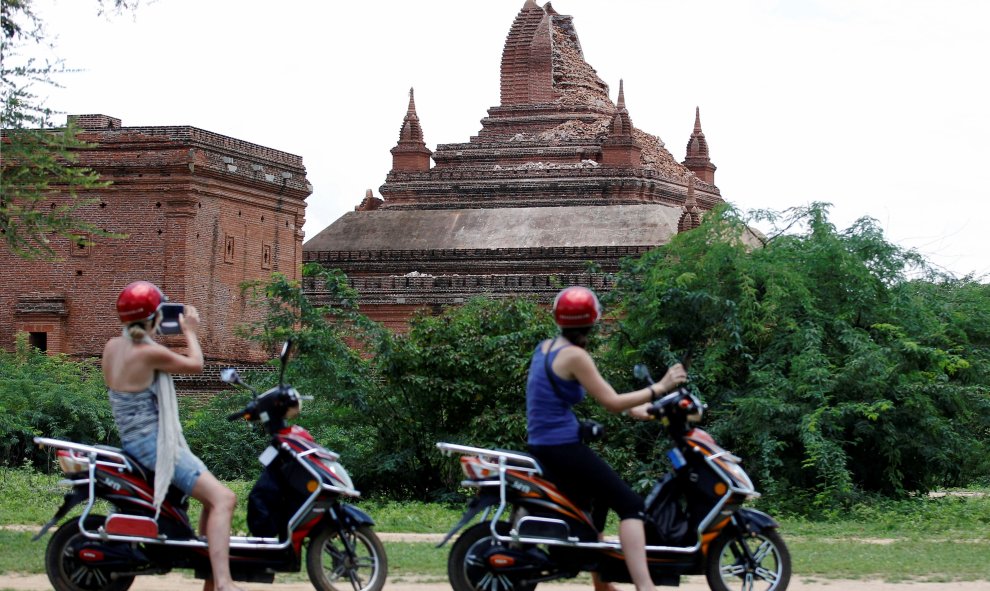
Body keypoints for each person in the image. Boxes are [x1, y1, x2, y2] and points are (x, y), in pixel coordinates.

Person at [526, 286, 687, 591]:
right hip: (562, 448)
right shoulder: (576, 356)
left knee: (596, 503)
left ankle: (601, 582)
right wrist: (662, 386)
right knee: (631, 506)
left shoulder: (546, 348)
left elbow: (600, 394)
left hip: (544, 444)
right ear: (592, 321)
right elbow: (610, 402)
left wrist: (640, 409)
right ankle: (646, 587)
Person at [102, 281, 244, 591]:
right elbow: (196, 364)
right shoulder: (147, 354)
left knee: (211, 501)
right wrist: (190, 330)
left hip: (133, 441)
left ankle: (211, 580)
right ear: (154, 317)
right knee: (223, 498)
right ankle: (223, 583)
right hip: (154, 445)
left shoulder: (112, 347)